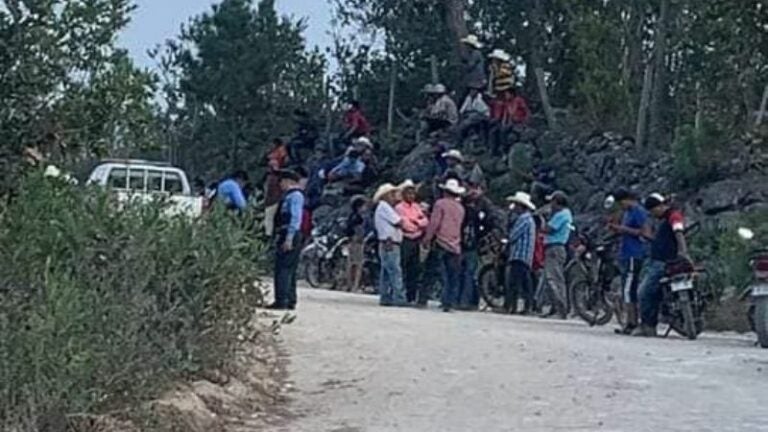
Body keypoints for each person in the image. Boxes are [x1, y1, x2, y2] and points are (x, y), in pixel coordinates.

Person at [634, 193, 691, 337]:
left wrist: (683, 252)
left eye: (654, 211)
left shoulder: (673, 216)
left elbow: (679, 232)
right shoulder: (665, 219)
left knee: (643, 292)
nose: (653, 214)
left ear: (660, 206)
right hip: (659, 260)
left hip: (663, 262)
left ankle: (648, 325)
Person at [608, 189, 651, 334]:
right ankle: (630, 322)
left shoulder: (638, 212)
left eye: (621, 203)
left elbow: (645, 233)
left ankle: (632, 322)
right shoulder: (627, 213)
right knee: (627, 288)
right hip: (626, 253)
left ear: (627, 199)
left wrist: (622, 228)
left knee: (628, 289)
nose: (621, 207)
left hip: (635, 253)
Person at [423, 178, 466, 312]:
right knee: (452, 275)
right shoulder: (460, 208)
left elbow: (434, 223)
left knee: (431, 271)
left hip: (441, 241)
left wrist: (427, 238)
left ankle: (422, 298)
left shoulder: (440, 204)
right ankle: (449, 302)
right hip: (455, 244)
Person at [270, 169, 305, 310]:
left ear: (288, 181)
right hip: (287, 233)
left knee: (283, 268)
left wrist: (289, 238)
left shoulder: (295, 196)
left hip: (290, 233)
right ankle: (289, 299)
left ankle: (282, 300)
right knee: (289, 268)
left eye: (281, 181)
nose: (280, 185)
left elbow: (295, 218)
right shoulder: (290, 196)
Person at [395, 180, 430, 305]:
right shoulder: (399, 207)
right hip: (405, 240)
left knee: (414, 269)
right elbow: (405, 224)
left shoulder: (416, 207)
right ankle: (400, 294)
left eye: (413, 194)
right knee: (402, 266)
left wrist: (417, 222)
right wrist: (417, 223)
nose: (411, 196)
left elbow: (425, 221)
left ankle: (411, 296)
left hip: (416, 241)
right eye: (408, 194)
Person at [540, 190, 573, 318]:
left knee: (555, 279)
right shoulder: (564, 214)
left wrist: (542, 218)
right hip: (554, 248)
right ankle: (555, 308)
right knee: (550, 279)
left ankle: (561, 309)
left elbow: (548, 229)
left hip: (555, 247)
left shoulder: (561, 215)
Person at [373, 183, 407, 307]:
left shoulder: (383, 207)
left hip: (386, 242)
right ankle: (399, 297)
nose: (394, 196)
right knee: (395, 271)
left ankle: (385, 297)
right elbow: (399, 222)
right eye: (392, 194)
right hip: (390, 242)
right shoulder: (384, 206)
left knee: (387, 271)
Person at [505, 192, 537, 314]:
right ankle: (527, 307)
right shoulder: (530, 219)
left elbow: (513, 236)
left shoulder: (523, 219)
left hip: (519, 254)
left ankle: (511, 306)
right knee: (525, 282)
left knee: (514, 282)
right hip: (526, 255)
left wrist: (507, 240)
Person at [456, 182, 486, 310]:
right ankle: (466, 301)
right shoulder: (476, 212)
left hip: (461, 244)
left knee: (460, 273)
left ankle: (458, 299)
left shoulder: (460, 211)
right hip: (472, 245)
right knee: (469, 274)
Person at [489, 88, 531, 156]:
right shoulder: (507, 103)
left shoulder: (519, 100)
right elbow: (506, 114)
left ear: (512, 94)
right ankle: (494, 151)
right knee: (495, 131)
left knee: (504, 131)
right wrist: (504, 123)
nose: (506, 96)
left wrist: (525, 121)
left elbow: (526, 110)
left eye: (507, 94)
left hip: (519, 122)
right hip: (510, 122)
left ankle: (505, 149)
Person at [264, 138, 289, 236]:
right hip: (274, 179)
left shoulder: (280, 152)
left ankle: (269, 233)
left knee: (271, 208)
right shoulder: (273, 154)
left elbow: (282, 163)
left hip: (275, 181)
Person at [346, 195, 368, 292]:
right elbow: (358, 231)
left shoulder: (351, 216)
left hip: (351, 241)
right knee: (358, 264)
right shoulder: (358, 218)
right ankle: (355, 285)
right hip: (357, 241)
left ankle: (350, 284)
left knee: (351, 263)